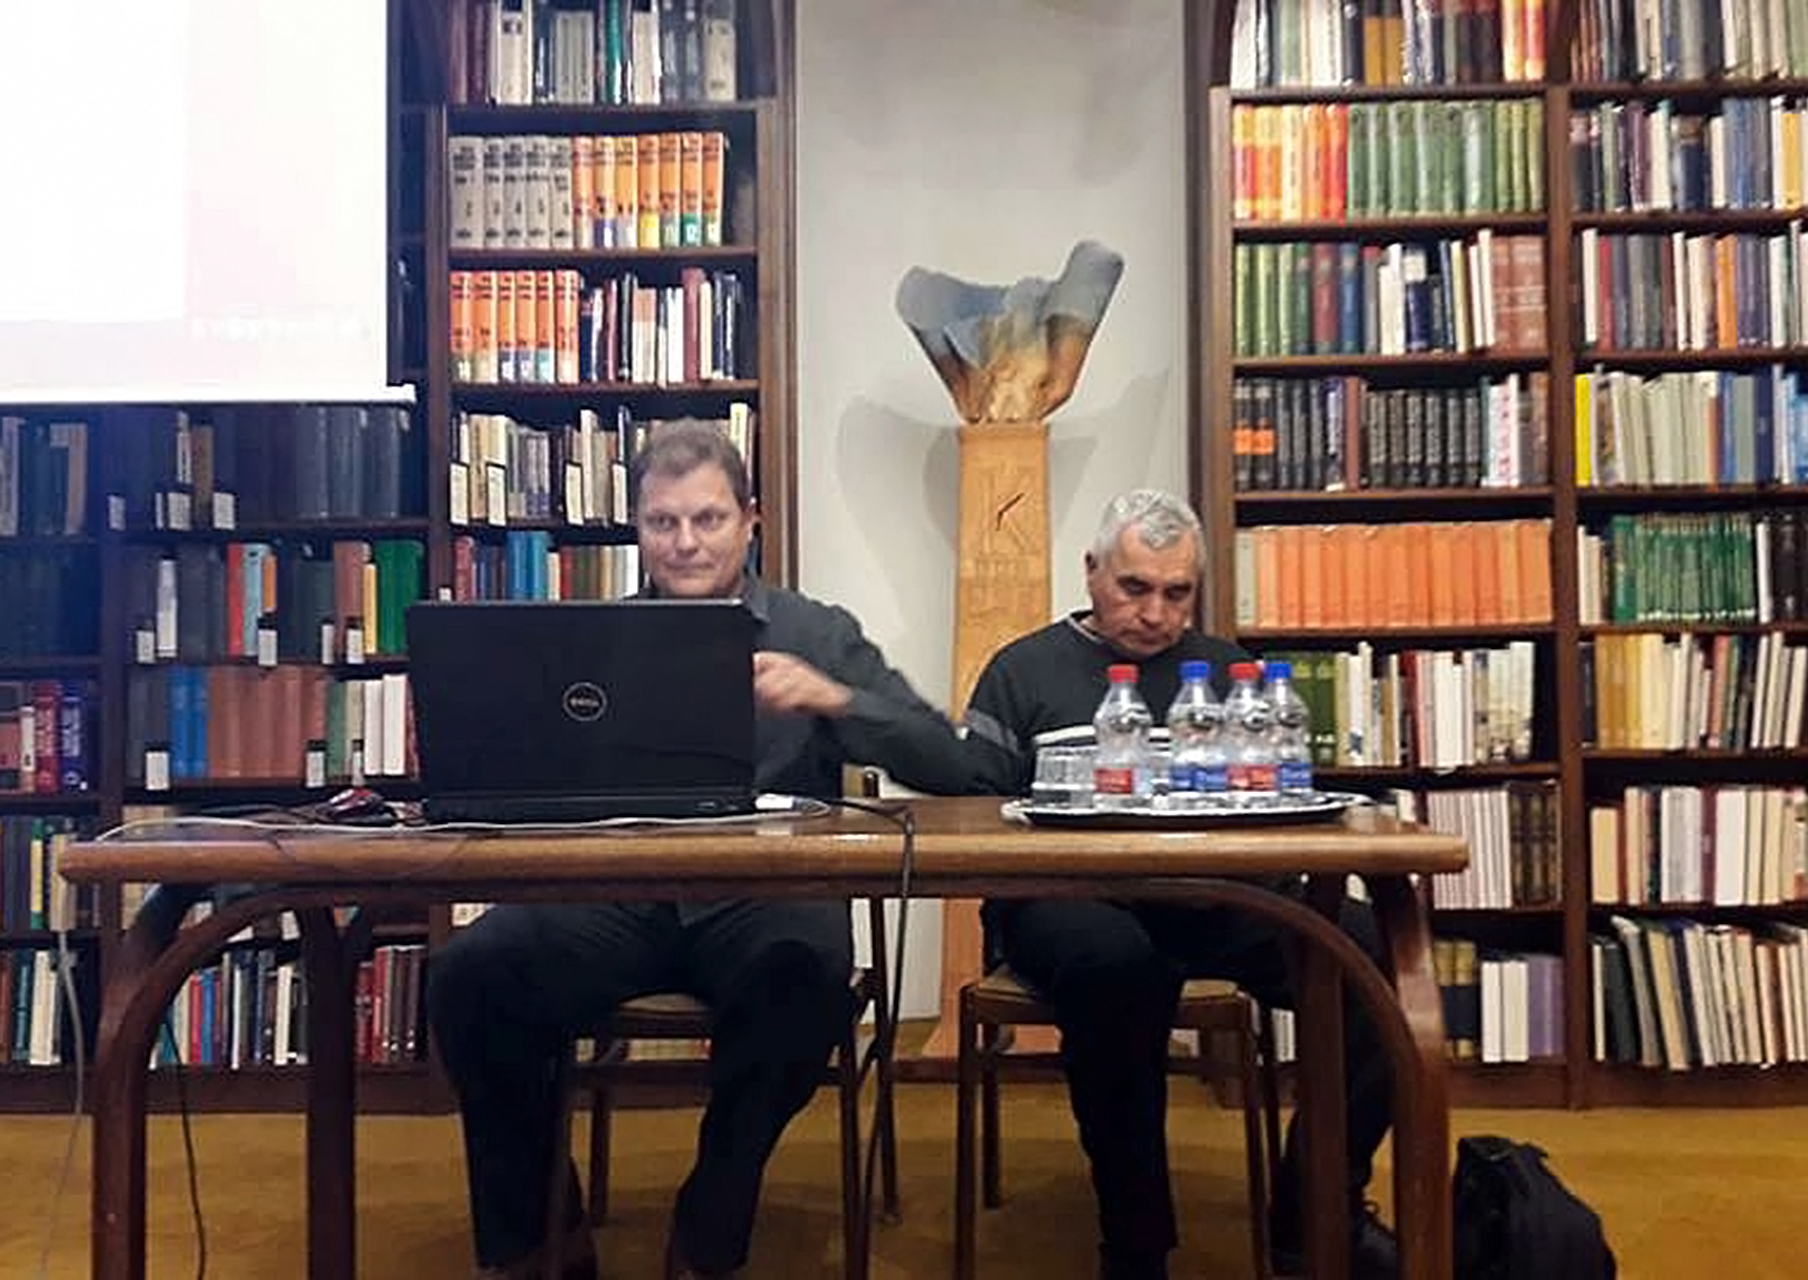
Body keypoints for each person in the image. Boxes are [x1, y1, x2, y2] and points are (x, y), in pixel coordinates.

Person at [427, 423, 975, 1280]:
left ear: (751, 521)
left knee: (806, 980)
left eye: (709, 519)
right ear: (638, 529)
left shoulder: (815, 630)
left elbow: (952, 764)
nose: (685, 543)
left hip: (767, 897)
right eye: (663, 522)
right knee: (472, 975)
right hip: (618, 897)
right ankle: (540, 1237)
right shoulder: (590, 640)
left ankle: (713, 1219)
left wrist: (835, 699)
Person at [961, 488, 1397, 1280]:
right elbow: (975, 819)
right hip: (1069, 903)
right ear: (1092, 572)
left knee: (1377, 959)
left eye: (1177, 592)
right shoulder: (1021, 671)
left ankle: (1315, 1213)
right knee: (1117, 969)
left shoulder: (1230, 674)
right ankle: (1136, 1245)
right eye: (1135, 588)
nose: (1156, 613)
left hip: (1218, 897)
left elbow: (1277, 799)